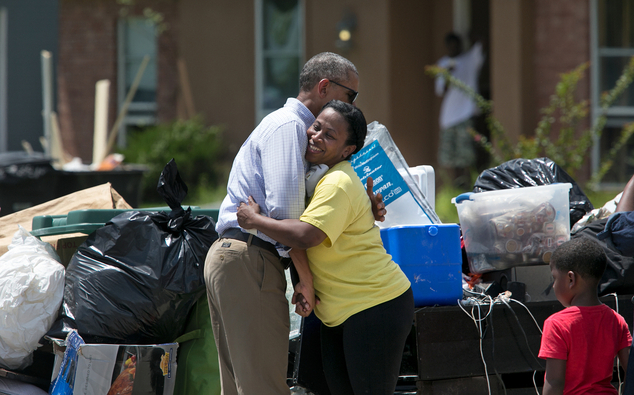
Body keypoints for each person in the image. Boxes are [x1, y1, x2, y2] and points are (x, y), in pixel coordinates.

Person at [204, 53, 385, 395]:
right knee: (265, 387)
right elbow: (286, 216)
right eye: (350, 96)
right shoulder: (290, 127)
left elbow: (309, 209)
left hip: (238, 256)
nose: (352, 104)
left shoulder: (297, 134)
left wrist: (364, 206)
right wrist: (306, 280)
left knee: (243, 385)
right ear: (324, 87)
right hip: (249, 259)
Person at [236, 100, 414, 395]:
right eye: (316, 127)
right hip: (339, 313)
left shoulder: (337, 183)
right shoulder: (316, 176)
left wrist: (254, 220)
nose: (316, 136)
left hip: (374, 305)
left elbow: (306, 235)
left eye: (329, 135)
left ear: (347, 151)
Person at [538, 237, 631, 395]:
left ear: (570, 279)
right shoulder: (616, 320)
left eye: (554, 278)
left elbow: (554, 381)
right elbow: (631, 369)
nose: (553, 285)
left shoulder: (557, 324)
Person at [435, 32, 484, 186]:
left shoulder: (469, 60)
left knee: (466, 155)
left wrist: (473, 38)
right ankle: (455, 186)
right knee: (450, 157)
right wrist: (448, 74)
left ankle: (468, 185)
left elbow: (482, 47)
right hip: (449, 117)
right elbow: (440, 90)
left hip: (466, 114)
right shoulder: (443, 64)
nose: (452, 49)